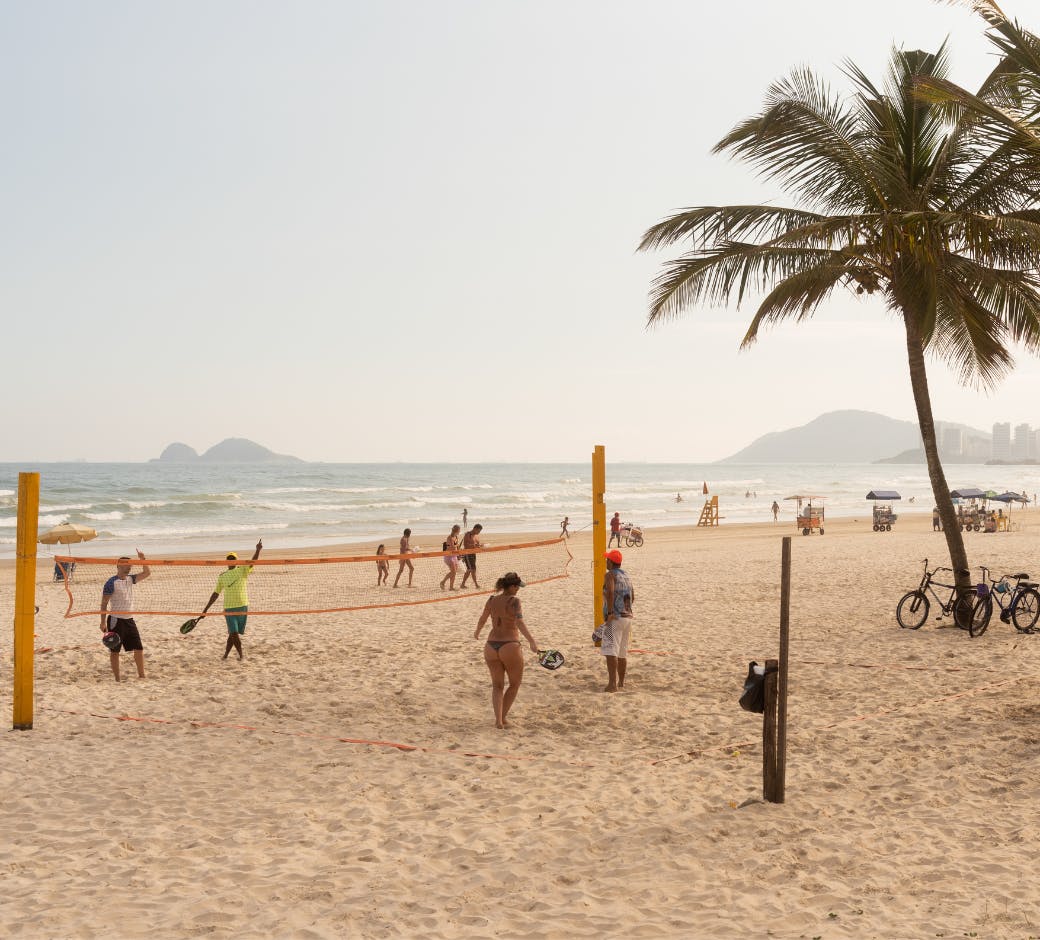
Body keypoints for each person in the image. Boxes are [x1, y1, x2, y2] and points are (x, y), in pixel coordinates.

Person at [474, 572, 538, 729]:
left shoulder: (491, 599)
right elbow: (520, 623)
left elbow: (483, 618)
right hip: (509, 644)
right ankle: (503, 718)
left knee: (497, 686)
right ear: (512, 586)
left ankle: (498, 721)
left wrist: (477, 632)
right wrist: (532, 641)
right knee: (515, 684)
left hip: (490, 645)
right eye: (517, 587)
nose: (518, 590)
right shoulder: (514, 601)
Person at [199, 539, 263, 660]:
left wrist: (257, 550)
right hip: (229, 608)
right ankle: (241, 656)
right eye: (229, 559)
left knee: (233, 634)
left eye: (233, 559)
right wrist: (205, 610)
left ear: (236, 561)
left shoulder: (242, 570)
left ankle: (226, 655)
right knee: (233, 633)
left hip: (243, 606)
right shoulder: (222, 576)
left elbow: (252, 562)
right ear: (226, 562)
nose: (231, 561)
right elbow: (215, 594)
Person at [99, 549, 151, 681]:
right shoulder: (111, 583)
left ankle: (142, 675)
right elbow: (104, 603)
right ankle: (117, 678)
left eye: (130, 565)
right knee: (115, 651)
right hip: (116, 620)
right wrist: (103, 622)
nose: (129, 567)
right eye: (126, 565)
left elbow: (147, 573)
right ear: (119, 566)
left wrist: (142, 559)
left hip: (129, 620)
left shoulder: (130, 579)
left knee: (139, 648)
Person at [601, 549, 634, 693]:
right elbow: (633, 597)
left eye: (607, 559)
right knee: (622, 652)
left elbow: (610, 592)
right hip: (627, 617)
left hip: (615, 617)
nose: (606, 561)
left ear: (611, 562)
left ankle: (612, 685)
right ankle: (621, 682)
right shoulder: (626, 575)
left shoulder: (610, 575)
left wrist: (609, 613)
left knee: (610, 651)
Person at [460, 523, 483, 590]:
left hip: (473, 554)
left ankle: (463, 584)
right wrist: (474, 545)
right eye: (478, 531)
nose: (479, 532)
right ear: (475, 529)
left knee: (471, 569)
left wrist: (480, 546)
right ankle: (476, 584)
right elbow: (466, 545)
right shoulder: (468, 534)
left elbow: (477, 544)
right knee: (471, 569)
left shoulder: (476, 536)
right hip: (467, 554)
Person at [440, 524, 461, 590]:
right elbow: (452, 547)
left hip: (454, 556)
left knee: (454, 572)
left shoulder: (456, 537)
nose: (459, 532)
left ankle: (451, 587)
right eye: (458, 530)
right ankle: (443, 582)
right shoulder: (449, 537)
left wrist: (459, 554)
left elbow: (457, 547)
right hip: (449, 556)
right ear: (455, 530)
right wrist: (457, 545)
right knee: (453, 572)